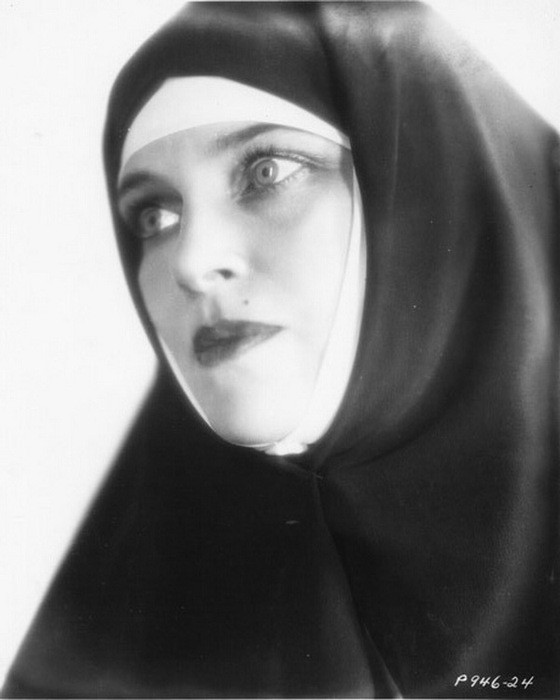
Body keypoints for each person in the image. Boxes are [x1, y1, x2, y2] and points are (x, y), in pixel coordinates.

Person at [3, 2, 559, 697]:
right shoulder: (109, 648)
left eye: (267, 171)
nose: (191, 263)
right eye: (156, 215)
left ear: (425, 185)